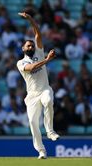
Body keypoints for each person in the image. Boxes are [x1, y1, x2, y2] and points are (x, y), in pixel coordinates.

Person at [17, 12, 60, 159]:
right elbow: (32, 68)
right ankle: (41, 150)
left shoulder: (39, 51)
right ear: (23, 49)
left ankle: (50, 131)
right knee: (32, 122)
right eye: (27, 45)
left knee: (48, 100)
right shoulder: (21, 63)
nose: (30, 46)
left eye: (32, 45)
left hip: (44, 89)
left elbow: (38, 33)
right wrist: (47, 60)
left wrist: (30, 19)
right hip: (32, 95)